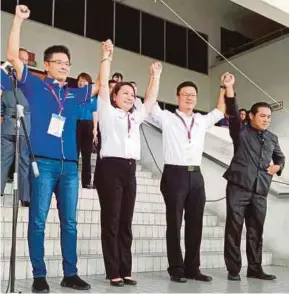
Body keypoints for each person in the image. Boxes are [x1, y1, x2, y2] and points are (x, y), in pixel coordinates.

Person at [6, 5, 99, 292]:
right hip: (42, 163)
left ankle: (70, 273)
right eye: (58, 62)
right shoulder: (34, 86)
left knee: (69, 223)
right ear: (46, 65)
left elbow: (99, 88)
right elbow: (11, 56)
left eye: (67, 63)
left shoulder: (72, 94)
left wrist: (106, 58)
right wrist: (18, 20)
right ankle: (39, 275)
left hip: (70, 166)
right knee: (38, 221)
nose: (63, 66)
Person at [148, 74, 229, 283]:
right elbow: (150, 102)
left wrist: (223, 87)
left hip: (196, 175)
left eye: (193, 95)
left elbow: (220, 110)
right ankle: (176, 267)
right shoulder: (166, 117)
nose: (189, 98)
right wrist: (155, 77)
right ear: (177, 97)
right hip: (175, 173)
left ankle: (193, 268)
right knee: (174, 223)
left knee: (196, 223)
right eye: (185, 95)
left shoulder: (201, 120)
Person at [96, 39, 162, 287]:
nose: (130, 97)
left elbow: (151, 101)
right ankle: (112, 270)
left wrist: (154, 77)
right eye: (124, 93)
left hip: (130, 170)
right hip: (110, 168)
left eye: (132, 95)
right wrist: (106, 57)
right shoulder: (106, 111)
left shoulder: (136, 117)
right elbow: (102, 82)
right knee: (111, 221)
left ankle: (126, 269)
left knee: (126, 221)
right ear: (114, 96)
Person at [223, 74, 285, 281]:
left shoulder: (272, 138)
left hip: (260, 189)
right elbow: (232, 111)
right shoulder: (240, 131)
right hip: (238, 186)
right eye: (262, 116)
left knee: (256, 230)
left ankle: (255, 268)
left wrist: (278, 167)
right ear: (251, 116)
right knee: (234, 228)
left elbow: (280, 158)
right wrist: (229, 88)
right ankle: (233, 269)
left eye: (269, 117)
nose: (266, 119)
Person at [1, 48, 30, 206]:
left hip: (18, 127)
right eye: (22, 59)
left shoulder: (6, 82)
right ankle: (24, 198)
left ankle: (24, 197)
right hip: (18, 126)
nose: (24, 62)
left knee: (6, 161)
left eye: (26, 60)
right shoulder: (27, 83)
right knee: (18, 162)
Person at [76, 72, 98, 188]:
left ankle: (86, 182)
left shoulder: (93, 97)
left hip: (88, 124)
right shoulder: (74, 94)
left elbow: (95, 112)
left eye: (84, 80)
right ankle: (72, 179)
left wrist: (95, 128)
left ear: (89, 83)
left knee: (86, 155)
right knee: (74, 153)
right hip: (76, 124)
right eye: (80, 80)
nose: (81, 82)